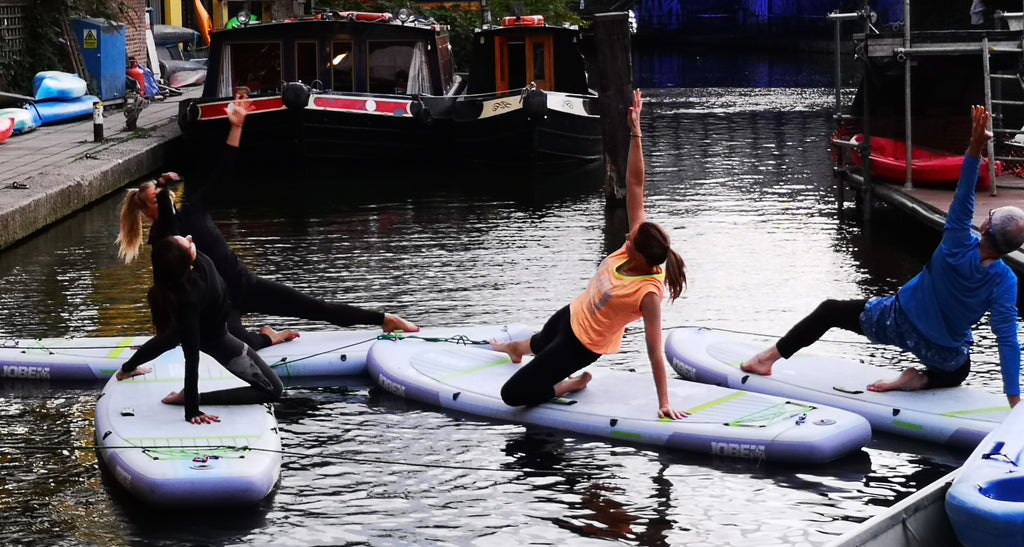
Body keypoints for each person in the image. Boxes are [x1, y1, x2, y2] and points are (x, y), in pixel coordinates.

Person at [742, 105, 1024, 408]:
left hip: (897, 320)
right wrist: (1015, 404)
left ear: (985, 226)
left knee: (830, 311)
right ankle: (921, 380)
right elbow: (1007, 341)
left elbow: (965, 192)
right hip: (940, 350)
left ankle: (766, 359)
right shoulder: (1005, 282)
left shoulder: (958, 238)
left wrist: (975, 144)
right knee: (961, 368)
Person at [115, 87, 419, 351]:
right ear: (147, 210)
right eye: (158, 195)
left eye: (162, 191)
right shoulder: (161, 241)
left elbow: (224, 170)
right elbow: (166, 291)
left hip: (245, 285)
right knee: (243, 345)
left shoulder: (193, 208)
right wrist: (167, 336)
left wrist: (237, 125)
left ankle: (384, 319)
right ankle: (268, 337)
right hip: (220, 305)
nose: (165, 195)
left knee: (316, 308)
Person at [491, 90, 689, 419]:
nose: (627, 235)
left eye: (630, 240)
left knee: (512, 393)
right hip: (572, 314)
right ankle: (516, 349)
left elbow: (654, 350)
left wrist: (664, 403)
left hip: (581, 346)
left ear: (640, 256)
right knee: (541, 340)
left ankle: (566, 386)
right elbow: (636, 185)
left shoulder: (648, 293)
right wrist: (635, 130)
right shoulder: (640, 241)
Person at [118, 234, 283, 424]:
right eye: (187, 243)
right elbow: (192, 358)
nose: (190, 238)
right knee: (273, 390)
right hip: (216, 339)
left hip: (209, 320)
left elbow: (172, 222)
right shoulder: (190, 300)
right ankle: (189, 397)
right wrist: (192, 409)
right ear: (186, 261)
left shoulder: (180, 265)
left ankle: (127, 369)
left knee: (169, 337)